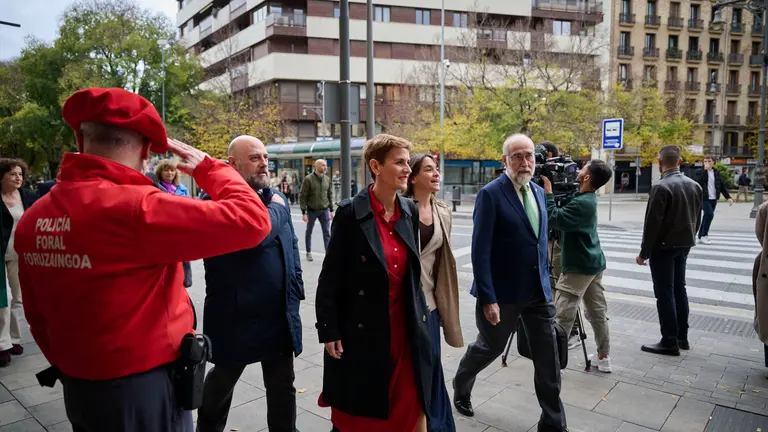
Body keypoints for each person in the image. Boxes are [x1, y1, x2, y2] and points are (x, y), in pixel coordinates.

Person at [15, 87, 273, 431]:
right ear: (147, 149)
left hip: (79, 384)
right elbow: (253, 220)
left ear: (80, 138)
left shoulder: (35, 217)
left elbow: (36, 313)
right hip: (144, 388)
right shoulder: (139, 208)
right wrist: (212, 169)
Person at [315, 134, 431, 432]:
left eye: (408, 162)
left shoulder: (409, 209)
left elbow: (413, 276)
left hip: (405, 328)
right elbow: (330, 277)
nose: (407, 169)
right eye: (399, 162)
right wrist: (329, 329)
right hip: (362, 327)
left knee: (405, 406)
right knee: (361, 413)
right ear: (376, 166)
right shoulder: (350, 212)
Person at [453, 134, 567, 432]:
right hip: (503, 295)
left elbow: (539, 243)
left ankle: (553, 423)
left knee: (548, 361)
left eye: (528, 155)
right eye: (516, 156)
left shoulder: (540, 193)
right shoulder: (491, 194)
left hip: (539, 294)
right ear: (505, 161)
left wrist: (547, 282)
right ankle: (461, 384)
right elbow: (481, 251)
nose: (524, 161)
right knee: (489, 348)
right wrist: (489, 298)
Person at [197, 136, 303, 432]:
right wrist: (281, 206)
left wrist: (296, 289)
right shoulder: (217, 198)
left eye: (266, 157)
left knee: (283, 386)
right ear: (232, 163)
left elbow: (289, 248)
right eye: (256, 157)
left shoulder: (268, 196)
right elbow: (258, 234)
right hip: (237, 314)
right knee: (221, 384)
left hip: (277, 313)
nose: (264, 163)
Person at [404, 154, 462, 432]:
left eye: (436, 169)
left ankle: (438, 426)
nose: (436, 174)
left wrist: (443, 305)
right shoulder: (401, 209)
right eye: (429, 169)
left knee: (433, 369)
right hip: (404, 304)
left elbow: (441, 265)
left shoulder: (443, 210)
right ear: (413, 177)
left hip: (430, 304)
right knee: (413, 373)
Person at [542, 160, 613, 373]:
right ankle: (604, 355)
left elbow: (554, 217)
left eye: (583, 168)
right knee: (596, 311)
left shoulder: (583, 203)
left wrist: (547, 193)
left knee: (563, 310)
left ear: (588, 177)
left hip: (579, 266)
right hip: (593, 263)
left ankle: (554, 358)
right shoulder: (586, 198)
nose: (578, 170)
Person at [636, 145, 703, 356]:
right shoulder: (695, 186)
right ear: (680, 162)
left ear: (659, 162)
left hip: (663, 248)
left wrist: (643, 253)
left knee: (664, 294)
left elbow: (652, 224)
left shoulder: (661, 187)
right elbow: (697, 218)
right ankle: (682, 336)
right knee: (679, 289)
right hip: (684, 244)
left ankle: (669, 341)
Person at [0, 159, 37, 367]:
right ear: (1, 176)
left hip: (20, 253)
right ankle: (2, 344)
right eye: (13, 174)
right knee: (3, 299)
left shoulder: (27, 196)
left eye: (20, 174)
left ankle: (14, 339)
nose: (18, 178)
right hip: (1, 253)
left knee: (18, 298)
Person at [299, 159, 333, 262]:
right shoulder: (308, 179)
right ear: (317, 166)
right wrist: (304, 212)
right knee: (309, 231)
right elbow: (303, 196)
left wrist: (331, 210)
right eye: (323, 165)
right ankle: (308, 252)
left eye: (325, 165)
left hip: (324, 210)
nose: (325, 167)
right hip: (311, 210)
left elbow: (329, 195)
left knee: (327, 233)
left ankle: (328, 254)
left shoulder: (327, 179)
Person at [696, 155, 732, 245]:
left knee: (706, 217)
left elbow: (721, 186)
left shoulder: (716, 172)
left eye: (709, 161)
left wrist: (728, 197)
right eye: (705, 161)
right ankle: (704, 235)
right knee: (709, 214)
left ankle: (700, 236)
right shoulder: (700, 172)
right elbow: (698, 183)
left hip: (714, 198)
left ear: (713, 162)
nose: (707, 163)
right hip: (704, 198)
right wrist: (705, 170)